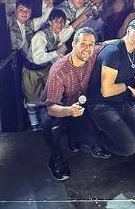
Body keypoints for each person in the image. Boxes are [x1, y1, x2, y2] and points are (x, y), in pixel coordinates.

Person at [41, 27, 110, 180]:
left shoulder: (91, 55)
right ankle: (56, 159)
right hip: (59, 109)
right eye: (83, 43)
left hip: (80, 107)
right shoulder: (59, 70)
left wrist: (133, 42)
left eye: (91, 44)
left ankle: (76, 139)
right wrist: (69, 111)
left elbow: (106, 44)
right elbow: (51, 107)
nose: (87, 48)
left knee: (94, 138)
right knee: (51, 126)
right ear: (74, 44)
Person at [87, 17, 135, 156]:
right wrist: (131, 83)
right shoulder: (113, 51)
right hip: (102, 105)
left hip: (124, 102)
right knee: (130, 148)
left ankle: (121, 131)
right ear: (128, 31)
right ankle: (96, 141)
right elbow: (107, 91)